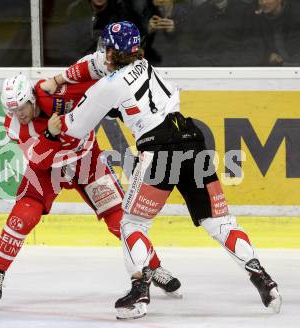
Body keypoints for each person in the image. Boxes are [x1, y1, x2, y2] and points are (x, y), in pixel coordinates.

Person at [48, 21, 282, 319]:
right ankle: (263, 279)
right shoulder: (145, 65)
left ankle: (139, 292)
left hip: (158, 148)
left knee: (132, 223)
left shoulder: (108, 85)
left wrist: (57, 127)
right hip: (191, 139)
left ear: (108, 50)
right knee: (219, 222)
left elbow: (76, 127)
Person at [0, 74, 182, 308]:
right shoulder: (14, 126)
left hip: (86, 160)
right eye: (12, 110)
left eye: (22, 107)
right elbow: (38, 161)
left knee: (120, 219)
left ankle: (152, 266)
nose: (19, 115)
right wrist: (50, 135)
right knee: (24, 215)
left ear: (33, 99)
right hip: (47, 169)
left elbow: (99, 84)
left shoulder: (59, 94)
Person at [141, 0, 190, 66]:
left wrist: (174, 32)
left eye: (162, 2)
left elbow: (192, 44)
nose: (159, 3)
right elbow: (134, 45)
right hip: (151, 63)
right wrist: (147, 31)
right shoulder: (145, 13)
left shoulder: (184, 13)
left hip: (179, 64)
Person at [254, 0, 300, 65]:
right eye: (260, 0)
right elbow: (251, 48)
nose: (264, 2)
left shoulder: (296, 16)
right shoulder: (257, 19)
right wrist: (266, 57)